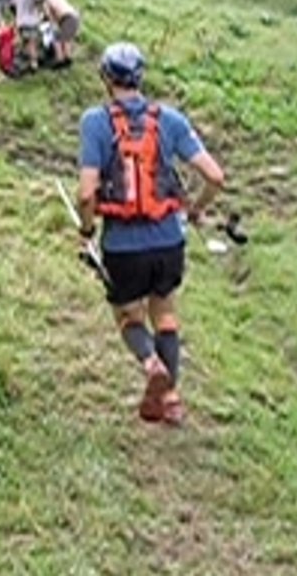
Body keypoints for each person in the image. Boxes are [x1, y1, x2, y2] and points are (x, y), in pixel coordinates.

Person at [75, 43, 225, 425]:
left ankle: (150, 363)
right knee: (165, 310)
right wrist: (195, 209)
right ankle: (171, 398)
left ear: (106, 79)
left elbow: (86, 193)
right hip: (168, 242)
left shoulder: (95, 122)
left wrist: (87, 229)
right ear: (140, 78)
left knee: (127, 316)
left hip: (122, 246)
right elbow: (215, 176)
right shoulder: (170, 120)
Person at [8, 0, 44, 73]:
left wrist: (37, 10)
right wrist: (14, 21)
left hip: (31, 22)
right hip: (21, 21)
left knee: (29, 44)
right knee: (21, 44)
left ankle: (33, 66)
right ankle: (27, 64)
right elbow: (15, 5)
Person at [37, 0, 81, 68]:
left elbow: (48, 14)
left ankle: (59, 60)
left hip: (66, 17)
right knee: (66, 39)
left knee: (56, 38)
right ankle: (67, 59)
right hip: (73, 16)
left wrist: (50, 23)